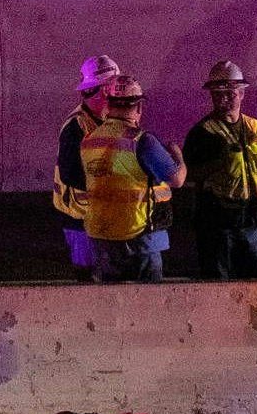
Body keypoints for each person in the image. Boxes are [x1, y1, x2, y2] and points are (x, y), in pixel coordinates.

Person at [79, 76, 184, 284]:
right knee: (148, 307)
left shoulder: (89, 140)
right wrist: (178, 156)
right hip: (139, 239)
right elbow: (177, 179)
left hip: (101, 239)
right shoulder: (142, 141)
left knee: (110, 307)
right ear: (138, 106)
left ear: (107, 104)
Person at [181, 60, 257, 280]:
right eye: (217, 94)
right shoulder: (202, 132)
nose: (224, 100)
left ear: (242, 94)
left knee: (256, 286)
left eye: (230, 93)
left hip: (252, 222)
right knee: (217, 287)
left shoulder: (255, 128)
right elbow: (189, 175)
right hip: (218, 226)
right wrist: (220, 163)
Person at [55, 56, 124, 281]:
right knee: (88, 281)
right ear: (104, 90)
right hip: (81, 219)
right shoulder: (76, 126)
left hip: (101, 215)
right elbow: (71, 173)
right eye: (115, 86)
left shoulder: (107, 120)